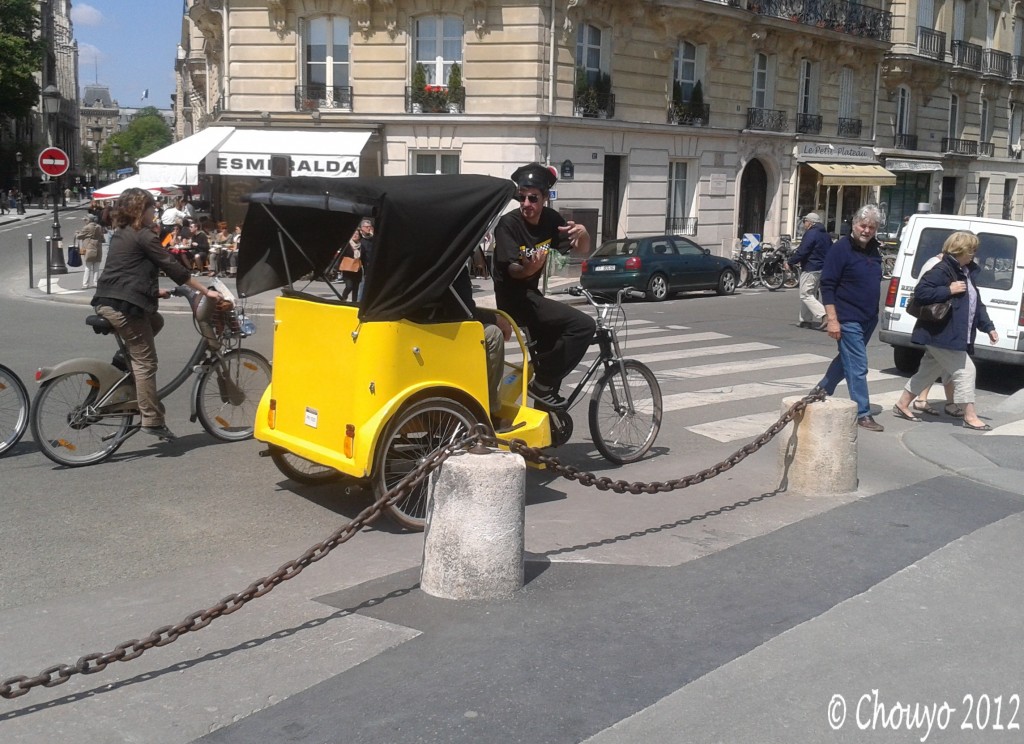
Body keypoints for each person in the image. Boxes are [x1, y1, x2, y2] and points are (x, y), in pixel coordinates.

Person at [91, 188, 221, 441]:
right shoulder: (144, 236)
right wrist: (206, 291)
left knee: (156, 321)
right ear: (142, 210)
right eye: (152, 208)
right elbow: (173, 267)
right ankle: (152, 419)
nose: (156, 212)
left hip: (107, 300)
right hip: (124, 307)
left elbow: (126, 269)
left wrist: (152, 291)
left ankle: (122, 361)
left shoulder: (121, 234)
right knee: (146, 363)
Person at [492, 162, 595, 407]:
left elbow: (582, 251)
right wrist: (529, 268)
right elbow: (512, 270)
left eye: (533, 198)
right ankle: (541, 384)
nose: (526, 204)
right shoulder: (508, 224)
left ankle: (544, 410)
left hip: (532, 297)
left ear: (545, 198)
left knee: (553, 349)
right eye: (522, 198)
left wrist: (584, 234)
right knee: (583, 326)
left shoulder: (551, 220)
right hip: (513, 301)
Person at [891, 231, 998, 430]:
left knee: (928, 371)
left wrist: (988, 327)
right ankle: (970, 416)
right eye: (971, 250)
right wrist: (948, 290)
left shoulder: (966, 271)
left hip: (950, 334)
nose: (974, 254)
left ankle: (902, 404)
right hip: (941, 334)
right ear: (960, 250)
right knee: (966, 371)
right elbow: (921, 293)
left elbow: (976, 303)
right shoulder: (942, 269)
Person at [813, 204, 886, 432]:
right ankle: (862, 412)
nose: (866, 230)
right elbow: (827, 284)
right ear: (854, 224)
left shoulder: (874, 249)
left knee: (847, 359)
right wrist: (832, 319)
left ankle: (821, 391)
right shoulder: (841, 249)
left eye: (871, 227)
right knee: (857, 364)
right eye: (863, 225)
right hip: (847, 317)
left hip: (868, 318)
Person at [785, 211, 831, 329]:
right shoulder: (825, 235)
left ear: (810, 223)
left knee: (805, 294)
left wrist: (790, 262)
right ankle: (805, 320)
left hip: (811, 267)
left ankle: (824, 315)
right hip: (822, 268)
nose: (804, 224)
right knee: (811, 294)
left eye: (805, 221)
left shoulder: (811, 234)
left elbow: (803, 251)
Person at [76, 214, 105, 289]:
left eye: (85, 220)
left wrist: (77, 233)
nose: (84, 221)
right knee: (96, 266)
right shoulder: (99, 227)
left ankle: (85, 284)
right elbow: (102, 237)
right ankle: (95, 283)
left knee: (88, 266)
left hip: (89, 247)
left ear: (89, 220)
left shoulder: (87, 227)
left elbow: (79, 237)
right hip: (98, 247)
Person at [338, 227, 365, 301]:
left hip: (357, 270)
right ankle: (343, 297)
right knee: (349, 286)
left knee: (355, 288)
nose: (355, 235)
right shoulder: (346, 245)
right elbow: (340, 256)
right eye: (354, 233)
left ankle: (354, 303)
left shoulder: (361, 246)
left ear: (359, 236)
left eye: (357, 234)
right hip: (347, 270)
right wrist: (337, 268)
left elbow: (364, 258)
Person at [353, 218, 374, 302]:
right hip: (364, 267)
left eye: (370, 226)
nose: (369, 228)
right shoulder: (360, 240)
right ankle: (359, 301)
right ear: (362, 228)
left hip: (372, 265)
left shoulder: (373, 239)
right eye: (366, 227)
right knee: (363, 285)